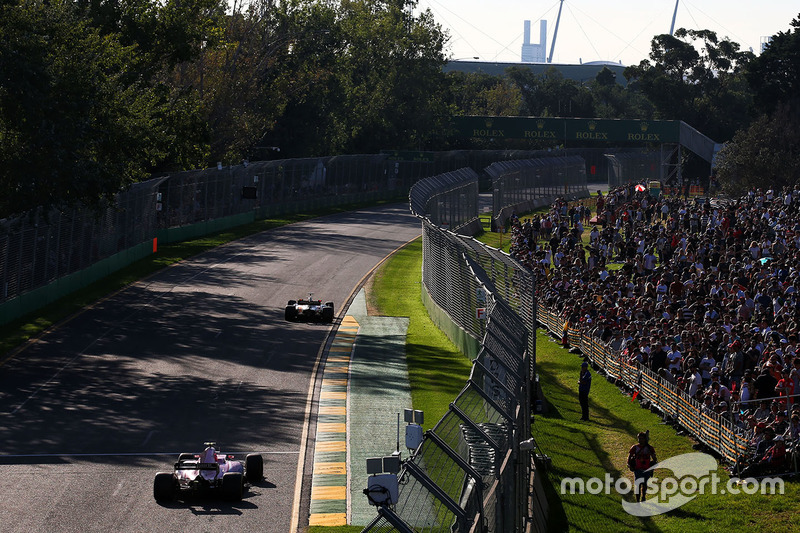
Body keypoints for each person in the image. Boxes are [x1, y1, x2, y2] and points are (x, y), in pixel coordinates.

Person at [628, 431, 658, 502]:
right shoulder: (635, 448)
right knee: (638, 485)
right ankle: (638, 500)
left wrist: (651, 453)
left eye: (641, 438)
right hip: (637, 469)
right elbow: (630, 456)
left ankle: (643, 496)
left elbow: (655, 459)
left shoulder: (650, 448)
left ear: (645, 439)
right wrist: (629, 465)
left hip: (646, 469)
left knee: (644, 485)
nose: (640, 440)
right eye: (639, 438)